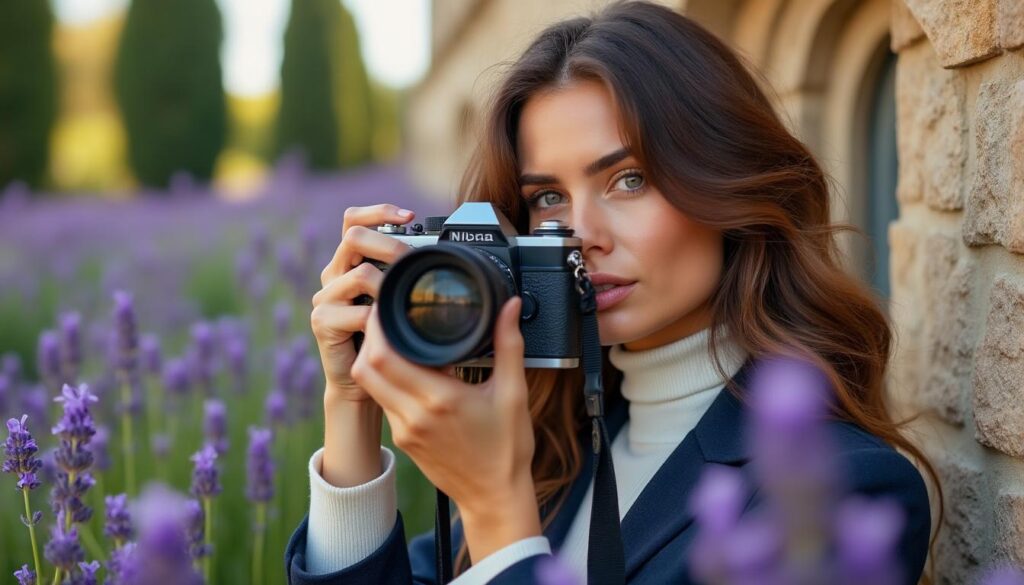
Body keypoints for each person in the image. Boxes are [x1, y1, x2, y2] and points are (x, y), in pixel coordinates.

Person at [286, 2, 935, 584]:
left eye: (629, 179)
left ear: (726, 180)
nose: (582, 234)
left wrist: (493, 509)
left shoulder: (841, 491)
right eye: (547, 198)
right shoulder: (558, 453)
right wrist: (351, 408)